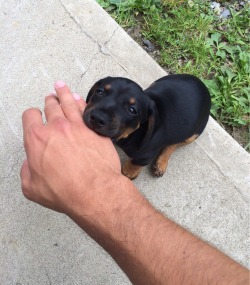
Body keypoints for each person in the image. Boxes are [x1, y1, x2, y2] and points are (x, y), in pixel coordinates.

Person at [20, 80, 248, 285]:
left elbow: (142, 157)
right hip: (173, 86)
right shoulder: (141, 111)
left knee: (186, 137)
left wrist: (127, 171)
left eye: (131, 109)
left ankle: (169, 148)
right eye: (100, 92)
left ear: (144, 123)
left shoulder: (141, 144)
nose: (101, 113)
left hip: (190, 119)